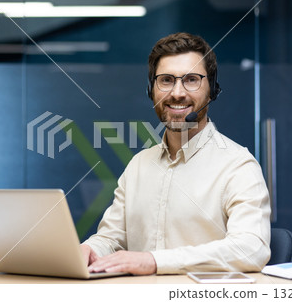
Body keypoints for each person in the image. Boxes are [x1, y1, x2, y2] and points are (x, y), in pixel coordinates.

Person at [80, 32, 271, 275]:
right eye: (167, 80)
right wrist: (88, 249)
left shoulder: (238, 166)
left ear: (212, 89)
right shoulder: (139, 165)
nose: (177, 93)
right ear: (152, 90)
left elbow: (251, 249)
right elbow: (111, 239)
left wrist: (154, 261)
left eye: (191, 80)